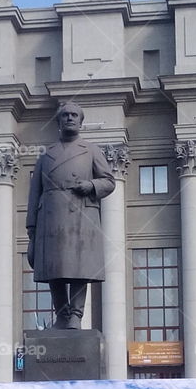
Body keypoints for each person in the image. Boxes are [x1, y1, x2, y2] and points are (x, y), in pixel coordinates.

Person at [26, 101, 116, 328]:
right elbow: (34, 192)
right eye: (65, 115)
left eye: (74, 115)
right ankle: (62, 315)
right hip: (50, 218)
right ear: (58, 121)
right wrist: (31, 228)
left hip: (80, 214)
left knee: (78, 268)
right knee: (53, 270)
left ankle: (76, 315)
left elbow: (109, 181)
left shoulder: (91, 150)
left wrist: (91, 185)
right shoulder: (46, 154)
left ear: (80, 122)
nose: (69, 118)